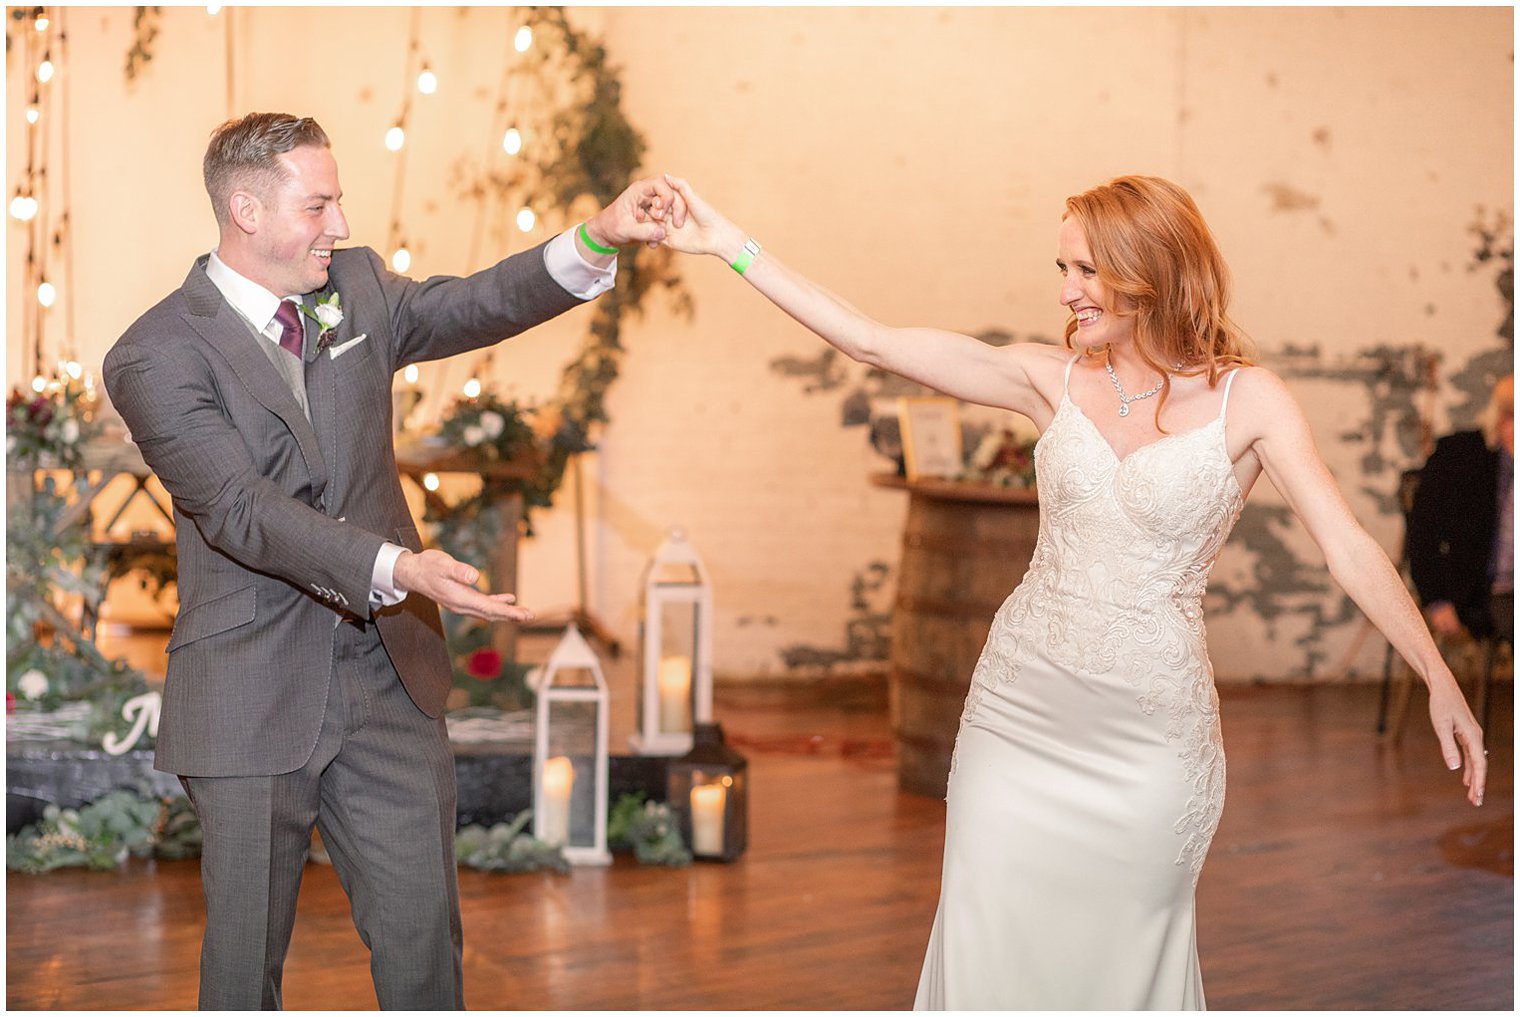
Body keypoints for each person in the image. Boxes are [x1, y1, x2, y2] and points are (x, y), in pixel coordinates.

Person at [654, 172, 1486, 1009]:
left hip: (1151, 738)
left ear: (1148, 267)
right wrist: (726, 242)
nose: (1065, 292)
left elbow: (1347, 547)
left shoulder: (1251, 401)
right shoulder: (1045, 378)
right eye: (1063, 268)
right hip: (1019, 715)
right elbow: (870, 340)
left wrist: (1437, 674)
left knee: (1124, 965)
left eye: (1086, 270)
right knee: (989, 946)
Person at [102, 112, 681, 1009]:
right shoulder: (155, 352)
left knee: (425, 956)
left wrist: (597, 235)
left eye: (339, 202)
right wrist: (399, 569)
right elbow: (242, 510)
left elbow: (473, 302)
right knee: (241, 969)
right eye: (318, 204)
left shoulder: (358, 286)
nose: (339, 225)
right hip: (249, 689)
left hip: (388, 682)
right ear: (245, 208)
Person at [1408, 374, 1513, 646]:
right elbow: (1423, 532)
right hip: (1491, 590)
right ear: (1503, 420)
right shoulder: (1460, 457)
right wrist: (1437, 598)